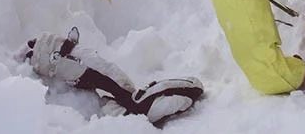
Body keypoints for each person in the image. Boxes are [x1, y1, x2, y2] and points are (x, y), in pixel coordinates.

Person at [18, 27, 203, 127]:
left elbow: (108, 76)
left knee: (133, 101)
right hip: (72, 66)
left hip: (74, 65)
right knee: (133, 101)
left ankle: (165, 94)